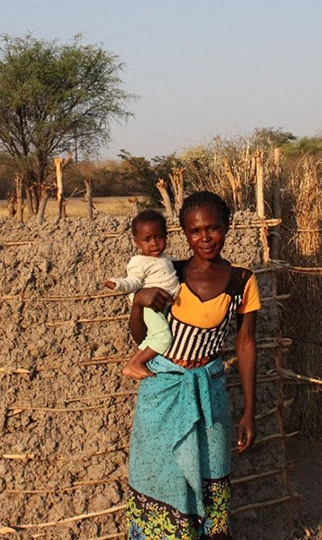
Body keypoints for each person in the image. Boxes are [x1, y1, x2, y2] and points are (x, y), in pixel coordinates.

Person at [125, 191, 260, 539]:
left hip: (208, 388)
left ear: (227, 228)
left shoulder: (241, 281)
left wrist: (249, 410)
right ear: (183, 234)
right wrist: (138, 302)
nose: (204, 238)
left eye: (213, 228)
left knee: (211, 469)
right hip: (163, 387)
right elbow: (141, 337)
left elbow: (245, 344)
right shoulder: (170, 273)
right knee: (160, 472)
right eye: (195, 230)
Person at [104, 210, 180, 380]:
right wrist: (117, 284)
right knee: (164, 337)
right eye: (147, 239)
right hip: (151, 308)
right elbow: (133, 282)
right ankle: (138, 364)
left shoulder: (165, 258)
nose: (154, 243)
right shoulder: (138, 262)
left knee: (152, 337)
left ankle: (132, 364)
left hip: (162, 308)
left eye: (159, 237)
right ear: (136, 242)